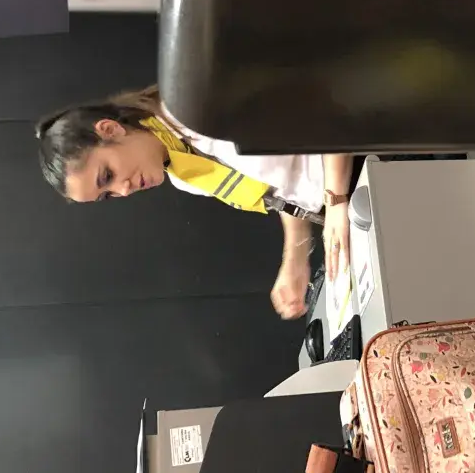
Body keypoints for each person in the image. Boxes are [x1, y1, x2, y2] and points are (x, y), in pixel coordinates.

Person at [35, 86, 357, 321]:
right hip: (355, 201)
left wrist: (336, 199)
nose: (123, 190)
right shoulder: (183, 175)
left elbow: (322, 102)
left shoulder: (196, 104)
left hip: (365, 156)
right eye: (107, 195)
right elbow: (288, 186)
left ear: (110, 129)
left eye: (107, 175)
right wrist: (295, 258)